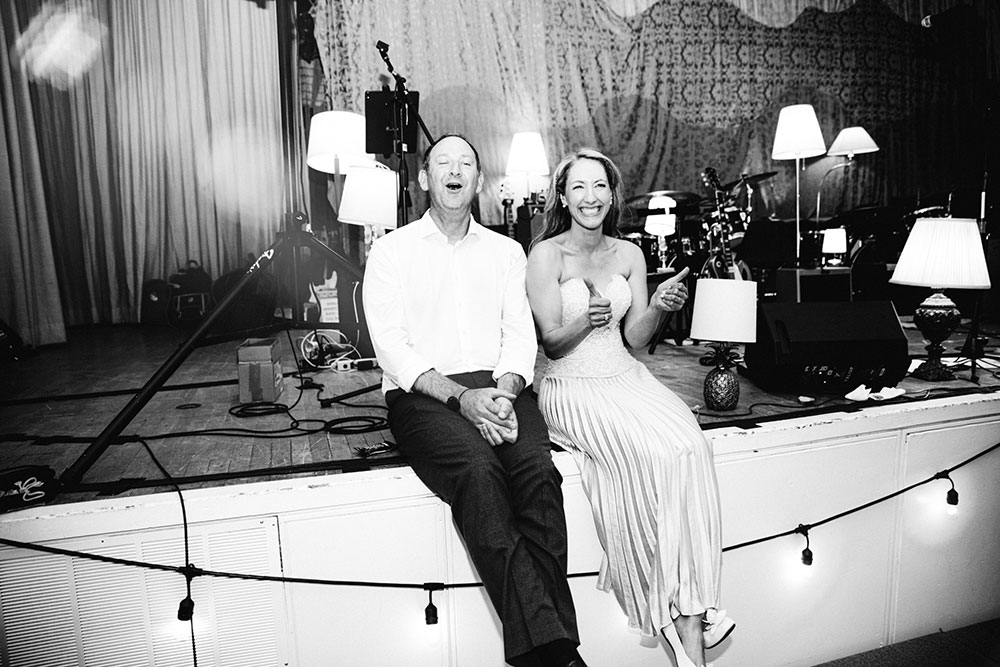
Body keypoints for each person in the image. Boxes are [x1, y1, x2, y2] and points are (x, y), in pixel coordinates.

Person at [362, 134, 586, 667]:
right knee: (480, 474)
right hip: (425, 394)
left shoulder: (507, 252)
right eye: (442, 163)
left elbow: (520, 336)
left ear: (478, 182)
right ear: (424, 178)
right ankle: (557, 656)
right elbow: (391, 346)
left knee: (536, 472)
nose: (454, 170)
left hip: (502, 386)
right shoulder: (392, 251)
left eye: (465, 163)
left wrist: (505, 393)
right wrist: (463, 398)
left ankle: (548, 652)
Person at [525, 148, 735, 667]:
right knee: (652, 457)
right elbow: (550, 343)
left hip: (625, 375)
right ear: (563, 196)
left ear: (613, 194)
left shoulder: (630, 254)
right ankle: (668, 611)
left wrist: (660, 308)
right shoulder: (545, 255)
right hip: (569, 387)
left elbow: (636, 339)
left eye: (600, 186)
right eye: (579, 187)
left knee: (689, 446)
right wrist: (587, 320)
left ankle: (693, 607)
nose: (590, 197)